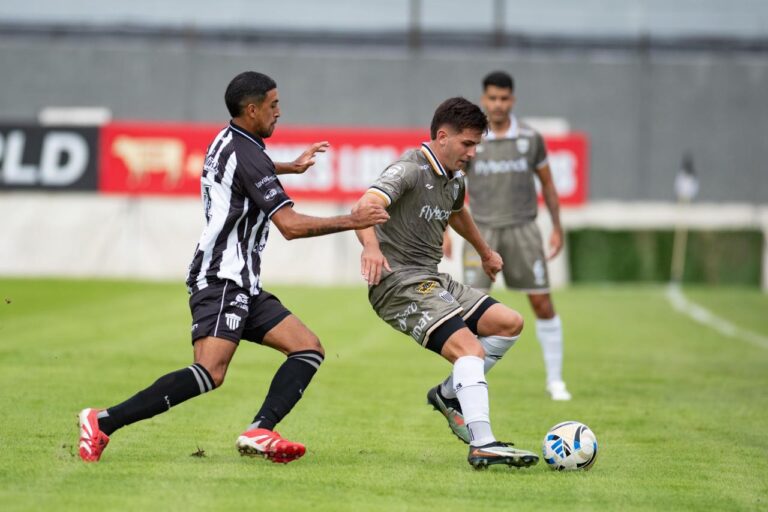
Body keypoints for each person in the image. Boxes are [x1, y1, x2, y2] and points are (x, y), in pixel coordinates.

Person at [77, 71, 389, 464]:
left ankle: (261, 430)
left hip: (241, 280)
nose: (280, 112)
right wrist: (352, 220)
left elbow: (249, 167)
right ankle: (102, 422)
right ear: (252, 109)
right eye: (273, 105)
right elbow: (290, 227)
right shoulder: (249, 155)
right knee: (210, 371)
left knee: (308, 348)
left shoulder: (231, 140)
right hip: (222, 277)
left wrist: (289, 168)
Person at [354, 97, 539, 469]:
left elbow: (457, 212)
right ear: (442, 137)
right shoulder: (409, 169)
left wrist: (485, 252)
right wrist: (371, 249)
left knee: (508, 324)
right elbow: (364, 206)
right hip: (398, 283)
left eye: (476, 145)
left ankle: (448, 393)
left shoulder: (453, 178)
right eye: (467, 144)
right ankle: (483, 443)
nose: (472, 153)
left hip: (431, 278)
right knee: (468, 349)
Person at [450, 71, 571, 401]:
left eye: (504, 99)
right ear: (484, 99)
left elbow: (547, 184)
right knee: (471, 308)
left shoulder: (530, 139)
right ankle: (466, 381)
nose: (498, 104)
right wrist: (445, 230)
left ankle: (555, 381)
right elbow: (452, 187)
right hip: (481, 232)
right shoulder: (473, 140)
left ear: (512, 100)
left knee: (541, 302)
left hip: (523, 229)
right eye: (492, 98)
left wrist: (557, 228)